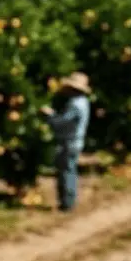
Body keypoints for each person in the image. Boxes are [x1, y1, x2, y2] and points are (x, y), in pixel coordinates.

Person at [41, 71, 92, 213]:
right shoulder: (84, 102)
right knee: (70, 169)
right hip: (76, 141)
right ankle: (68, 201)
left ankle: (67, 204)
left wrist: (49, 116)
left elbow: (63, 122)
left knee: (66, 171)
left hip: (70, 141)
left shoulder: (75, 104)